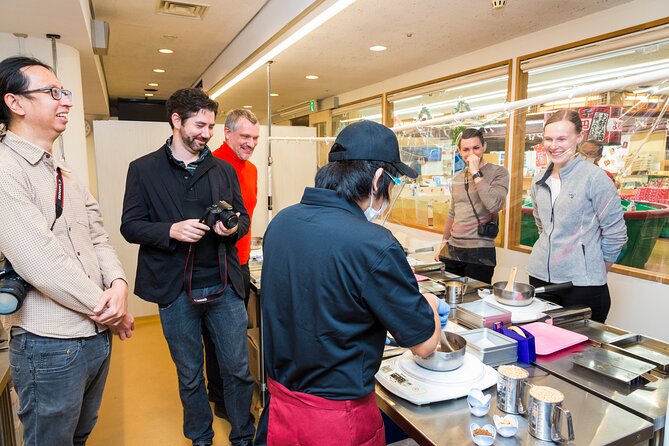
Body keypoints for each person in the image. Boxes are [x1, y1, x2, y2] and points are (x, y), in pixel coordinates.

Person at [255, 120, 448, 445]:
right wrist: (427, 303)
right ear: (376, 179)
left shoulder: (282, 222)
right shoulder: (374, 243)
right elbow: (426, 344)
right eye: (391, 182)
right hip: (336, 424)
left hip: (280, 414)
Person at [0, 56, 133, 446]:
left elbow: (98, 236)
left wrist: (120, 283)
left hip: (93, 336)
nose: (66, 102)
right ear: (16, 103)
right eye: (53, 92)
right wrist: (111, 312)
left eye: (65, 92)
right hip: (49, 344)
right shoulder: (6, 170)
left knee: (79, 436)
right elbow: (42, 262)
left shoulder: (63, 171)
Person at [120, 88, 255, 446]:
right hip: (175, 290)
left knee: (238, 371)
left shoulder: (224, 170)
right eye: (199, 125)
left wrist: (231, 227)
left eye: (211, 126)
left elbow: (240, 219)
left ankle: (245, 436)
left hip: (224, 286)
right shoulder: (143, 169)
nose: (206, 133)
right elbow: (130, 226)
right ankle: (200, 438)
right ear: (176, 121)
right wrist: (170, 230)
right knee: (190, 375)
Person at [527, 110, 627, 323]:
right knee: (542, 349)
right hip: (540, 280)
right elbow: (542, 226)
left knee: (579, 353)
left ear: (579, 137)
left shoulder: (594, 178)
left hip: (582, 286)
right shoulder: (538, 181)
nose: (554, 146)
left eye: (562, 139)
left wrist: (594, 268)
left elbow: (616, 232)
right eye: (549, 139)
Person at [205, 108, 259, 419]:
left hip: (240, 262)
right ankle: (225, 400)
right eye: (245, 136)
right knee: (221, 337)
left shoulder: (249, 169)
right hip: (217, 263)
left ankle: (223, 396)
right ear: (227, 134)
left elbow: (245, 217)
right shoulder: (214, 166)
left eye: (255, 137)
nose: (251, 143)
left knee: (230, 335)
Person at [435, 128, 509, 283]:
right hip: (453, 247)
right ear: (460, 151)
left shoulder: (498, 173)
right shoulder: (457, 178)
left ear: (484, 147)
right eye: (466, 149)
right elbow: (453, 212)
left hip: (480, 250)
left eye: (476, 148)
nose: (471, 154)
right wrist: (444, 241)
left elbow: (494, 205)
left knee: (474, 300)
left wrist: (475, 172)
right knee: (448, 295)